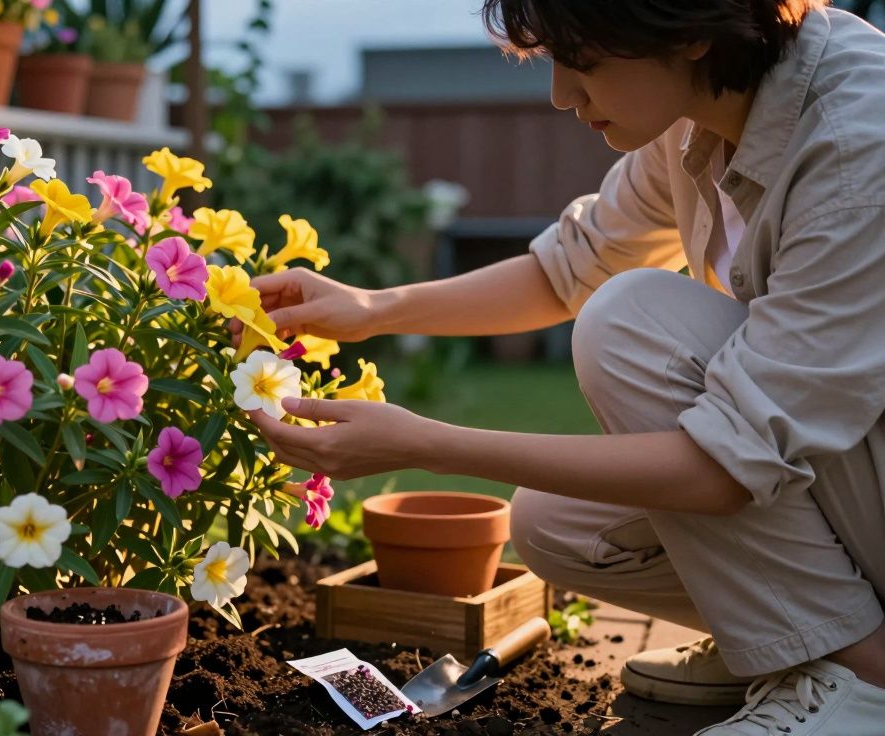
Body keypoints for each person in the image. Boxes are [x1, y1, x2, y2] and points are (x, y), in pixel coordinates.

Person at [240, 1, 885, 733]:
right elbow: (564, 271)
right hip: (850, 480)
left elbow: (721, 472)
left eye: (584, 61)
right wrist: (373, 307)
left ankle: (860, 673)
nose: (561, 95)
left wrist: (422, 443)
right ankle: (781, 641)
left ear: (692, 28)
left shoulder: (854, 145)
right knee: (555, 526)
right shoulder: (699, 115)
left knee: (631, 322)